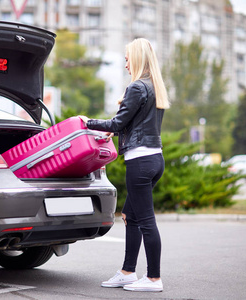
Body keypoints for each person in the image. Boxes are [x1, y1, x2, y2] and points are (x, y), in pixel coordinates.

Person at [79, 38, 170, 292]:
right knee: (131, 215)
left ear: (138, 59)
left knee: (146, 220)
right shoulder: (154, 87)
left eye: (128, 59)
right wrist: (117, 132)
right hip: (154, 159)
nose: (126, 64)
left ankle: (153, 278)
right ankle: (128, 271)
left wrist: (87, 122)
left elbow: (117, 123)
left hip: (140, 161)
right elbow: (137, 123)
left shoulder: (136, 88)